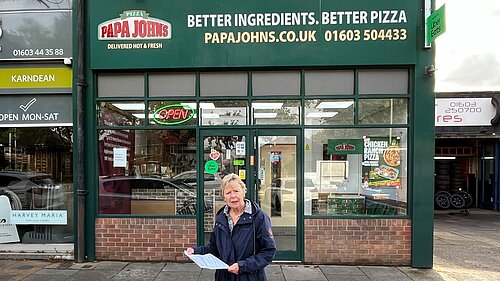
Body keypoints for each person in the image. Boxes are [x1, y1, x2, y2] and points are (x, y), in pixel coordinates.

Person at [185, 173, 276, 281]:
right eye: (228, 192)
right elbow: (214, 248)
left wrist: (242, 266)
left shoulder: (259, 217)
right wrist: (196, 251)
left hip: (250, 277)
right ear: (224, 196)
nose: (233, 196)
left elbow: (269, 251)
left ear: (243, 191)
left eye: (236, 191)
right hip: (224, 277)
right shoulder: (221, 218)